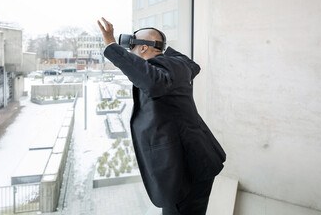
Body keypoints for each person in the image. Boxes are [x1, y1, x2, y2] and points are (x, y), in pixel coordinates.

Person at [97, 17, 226, 215]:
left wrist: (111, 45)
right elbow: (187, 66)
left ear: (142, 49)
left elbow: (151, 82)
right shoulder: (177, 66)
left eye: (132, 46)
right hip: (197, 160)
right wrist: (159, 47)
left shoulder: (161, 74)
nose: (129, 51)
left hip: (183, 170)